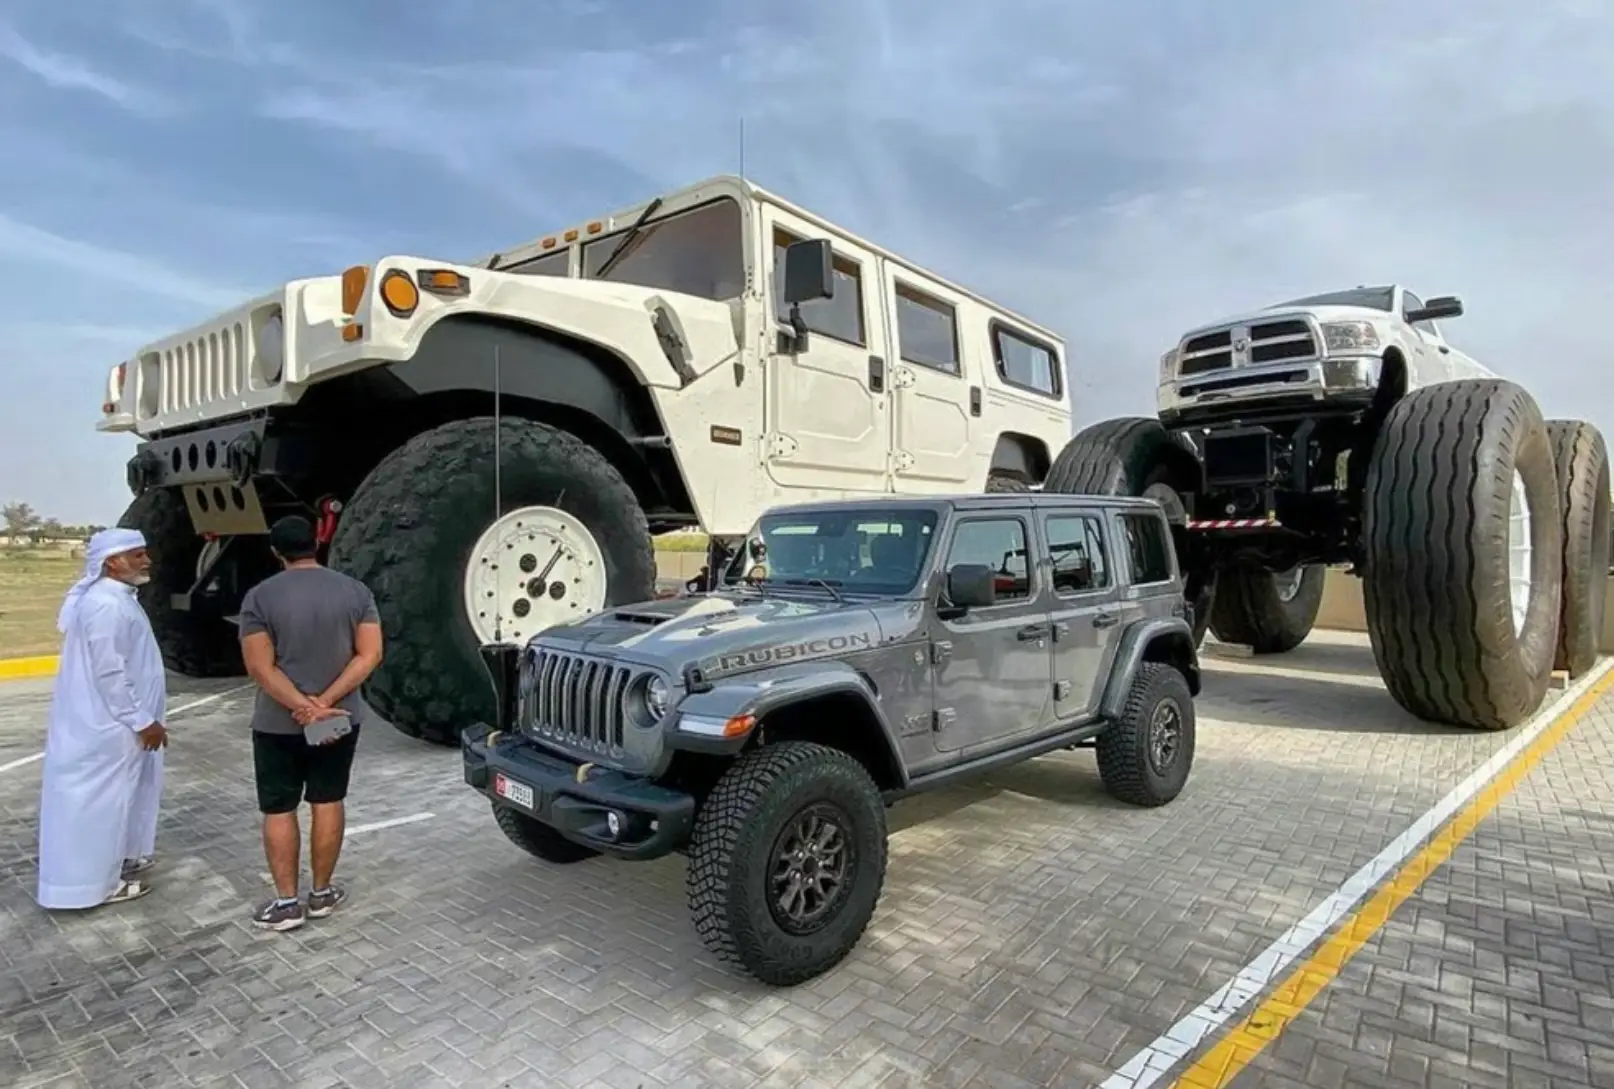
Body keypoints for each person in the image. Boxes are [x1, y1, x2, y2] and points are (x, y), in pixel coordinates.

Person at [238, 514, 383, 932]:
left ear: (275, 552)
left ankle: (286, 903)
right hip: (337, 720)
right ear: (317, 542)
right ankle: (321, 893)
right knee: (328, 799)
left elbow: (260, 667)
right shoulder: (355, 591)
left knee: (279, 808)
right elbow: (370, 654)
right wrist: (325, 703)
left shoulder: (259, 598)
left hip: (277, 723)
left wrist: (302, 707)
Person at [36, 528, 168, 910]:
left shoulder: (116, 598)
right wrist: (141, 720)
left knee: (115, 801)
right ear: (112, 561)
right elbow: (110, 672)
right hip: (110, 725)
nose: (147, 561)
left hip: (109, 723)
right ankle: (95, 885)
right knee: (100, 806)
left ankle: (114, 864)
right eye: (138, 555)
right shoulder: (106, 605)